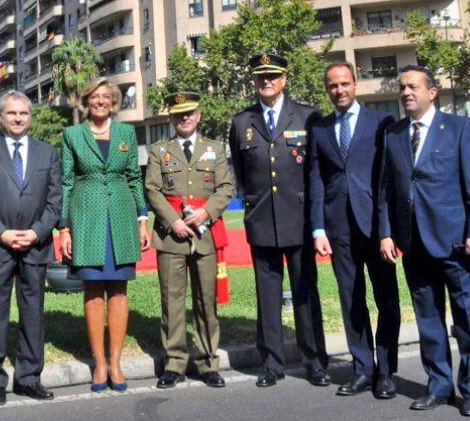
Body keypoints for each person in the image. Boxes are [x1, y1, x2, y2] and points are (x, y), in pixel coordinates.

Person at [378, 65, 470, 417]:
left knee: (468, 321)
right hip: (413, 245)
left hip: (456, 243)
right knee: (428, 321)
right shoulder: (394, 134)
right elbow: (385, 191)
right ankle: (439, 385)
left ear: (432, 92)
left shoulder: (457, 128)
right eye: (402, 87)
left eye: (413, 87)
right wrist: (385, 233)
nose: (406, 92)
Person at [229, 53, 329, 389]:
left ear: (284, 78)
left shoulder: (306, 115)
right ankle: (272, 362)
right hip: (261, 219)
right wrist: (252, 201)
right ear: (253, 82)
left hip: (298, 218)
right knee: (267, 296)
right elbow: (241, 174)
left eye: (272, 76)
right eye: (260, 77)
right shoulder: (242, 121)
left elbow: (316, 170)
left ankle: (314, 361)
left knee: (305, 292)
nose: (266, 82)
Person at [308, 62, 399, 398]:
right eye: (332, 85)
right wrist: (318, 229)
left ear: (355, 84)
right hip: (338, 228)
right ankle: (363, 369)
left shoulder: (381, 123)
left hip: (376, 227)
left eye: (344, 83)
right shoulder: (319, 129)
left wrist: (389, 226)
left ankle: (386, 371)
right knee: (351, 301)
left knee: (386, 299)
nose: (339, 90)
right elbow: (316, 180)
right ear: (327, 88)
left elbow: (389, 177)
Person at [0, 91, 62, 406]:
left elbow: (54, 201)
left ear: (30, 117)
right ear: (1, 117)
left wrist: (36, 233)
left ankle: (29, 378)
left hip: (35, 247)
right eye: (12, 114)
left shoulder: (47, 153)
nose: (18, 118)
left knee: (33, 314)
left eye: (23, 113)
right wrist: (2, 233)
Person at [59, 77, 150, 392]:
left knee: (120, 291)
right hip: (86, 219)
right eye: (94, 96)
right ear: (87, 101)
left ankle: (116, 362)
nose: (100, 101)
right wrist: (65, 227)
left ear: (114, 101)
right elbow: (67, 181)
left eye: (106, 96)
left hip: (122, 218)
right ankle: (99, 363)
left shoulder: (126, 132)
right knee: (94, 291)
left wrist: (142, 218)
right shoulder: (71, 135)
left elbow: (134, 176)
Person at [145, 91, 233, 390]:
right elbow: (153, 190)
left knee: (205, 301)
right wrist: (174, 221)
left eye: (190, 113)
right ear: (171, 117)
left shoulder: (215, 148)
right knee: (172, 302)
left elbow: (225, 187)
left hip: (205, 235)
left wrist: (205, 213)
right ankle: (174, 364)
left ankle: (208, 362)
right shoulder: (159, 150)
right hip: (172, 237)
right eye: (179, 114)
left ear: (198, 115)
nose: (185, 118)